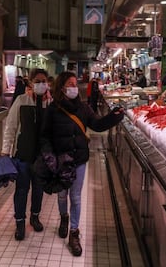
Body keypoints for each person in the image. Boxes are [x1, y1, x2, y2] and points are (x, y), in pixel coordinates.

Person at [39, 71, 124, 256]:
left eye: (74, 84)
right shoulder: (53, 109)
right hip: (60, 161)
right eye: (70, 84)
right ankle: (64, 218)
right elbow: (44, 136)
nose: (74, 88)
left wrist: (114, 116)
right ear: (62, 88)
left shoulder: (84, 108)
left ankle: (74, 232)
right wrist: (49, 157)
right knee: (62, 196)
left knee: (75, 197)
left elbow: (97, 125)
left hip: (78, 159)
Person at [1, 68, 52, 241]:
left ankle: (35, 217)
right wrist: (5, 151)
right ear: (30, 82)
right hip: (22, 155)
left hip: (42, 157)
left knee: (38, 189)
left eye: (43, 81)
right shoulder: (21, 101)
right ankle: (20, 223)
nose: (41, 84)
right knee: (21, 190)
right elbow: (10, 127)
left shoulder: (50, 103)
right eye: (37, 81)